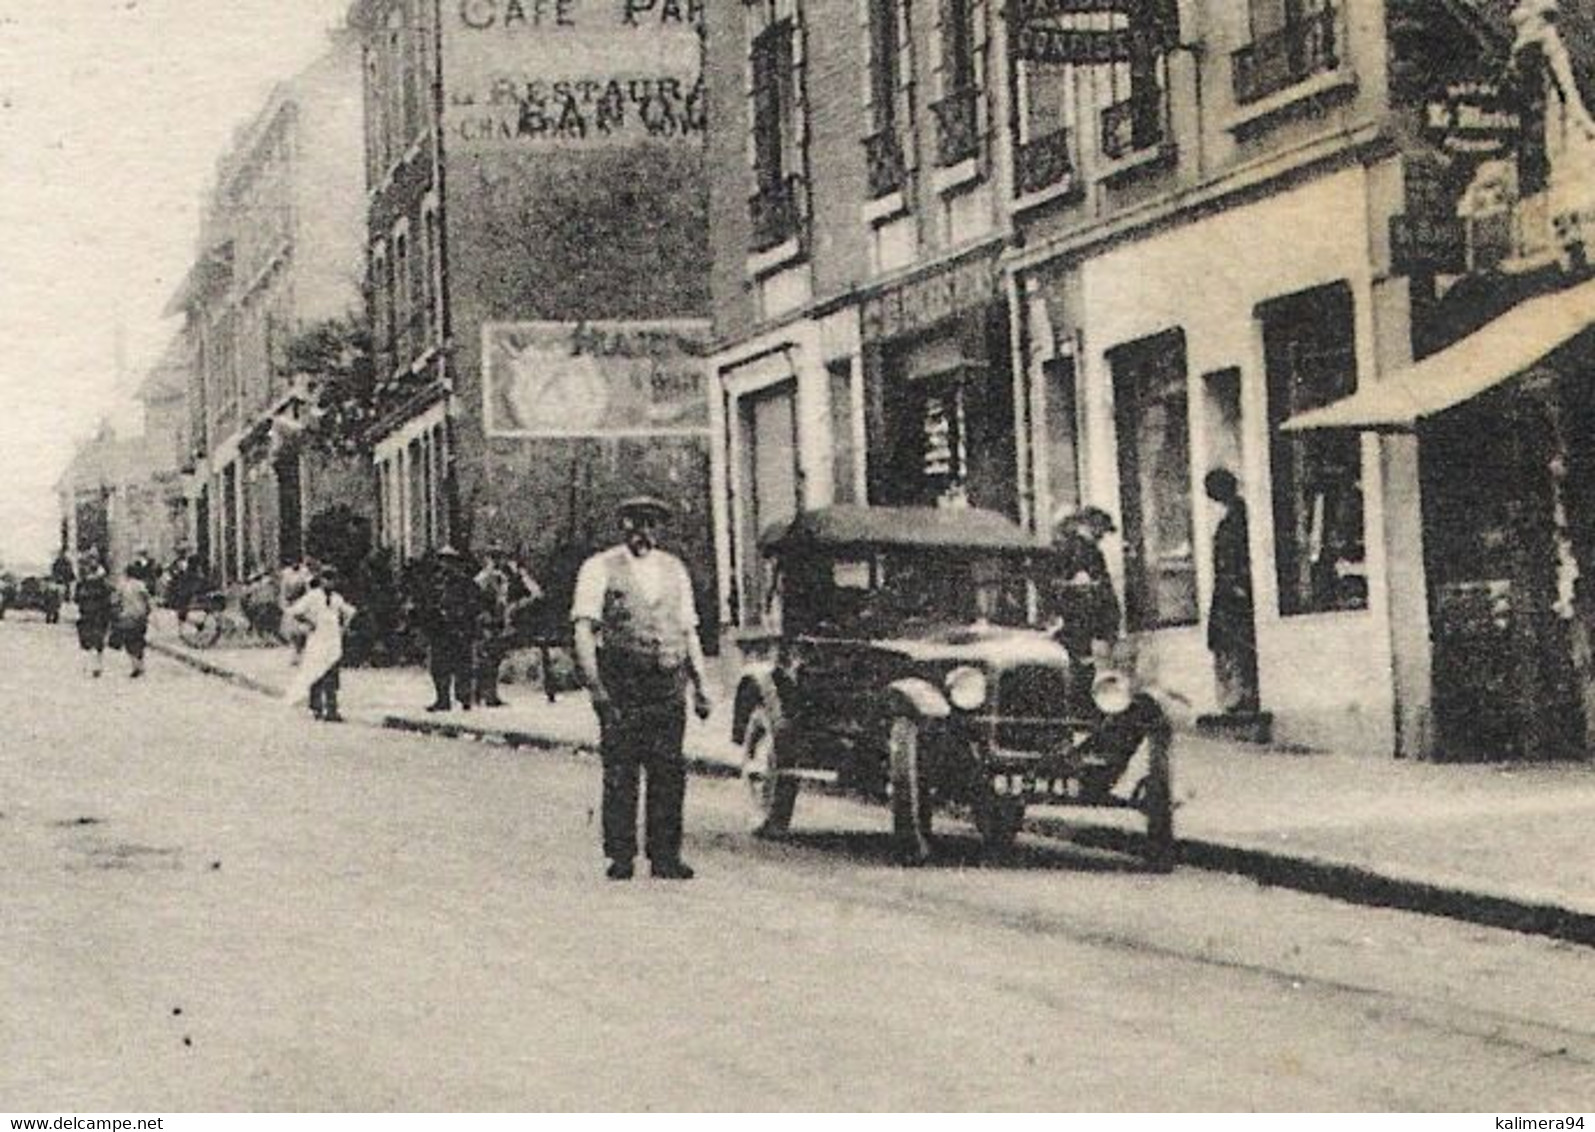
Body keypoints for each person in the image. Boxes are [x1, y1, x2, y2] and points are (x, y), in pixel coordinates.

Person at [572, 496, 713, 882]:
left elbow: (688, 630)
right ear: (622, 525)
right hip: (623, 683)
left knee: (669, 770)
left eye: (651, 523)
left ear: (660, 528)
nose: (643, 531)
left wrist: (700, 685)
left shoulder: (674, 570)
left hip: (667, 683)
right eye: (635, 522)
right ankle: (620, 856)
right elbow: (584, 629)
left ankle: (665, 856)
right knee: (621, 769)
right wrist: (596, 687)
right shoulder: (599, 568)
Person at [1205, 469, 1260, 716]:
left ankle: (1240, 697)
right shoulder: (1234, 516)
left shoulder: (1236, 519)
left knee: (1233, 643)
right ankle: (1238, 696)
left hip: (1233, 593)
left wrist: (1236, 585)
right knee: (1230, 643)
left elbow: (1232, 558)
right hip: (1230, 591)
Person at [1049, 505, 1123, 668]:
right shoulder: (1073, 550)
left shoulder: (1089, 551)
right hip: (1081, 621)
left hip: (1090, 621)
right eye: (1101, 530)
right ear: (1091, 526)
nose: (1102, 536)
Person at [285, 568, 358, 722]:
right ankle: (316, 707)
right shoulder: (313, 596)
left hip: (332, 641)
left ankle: (332, 710)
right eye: (326, 579)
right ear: (321, 580)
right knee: (316, 673)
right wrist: (308, 622)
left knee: (332, 675)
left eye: (332, 579)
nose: (329, 583)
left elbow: (350, 612)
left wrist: (344, 626)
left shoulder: (337, 598)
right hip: (317, 639)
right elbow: (294, 611)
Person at [421, 545, 482, 712]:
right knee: (439, 666)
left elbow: (475, 604)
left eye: (449, 561)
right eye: (442, 560)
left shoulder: (466, 583)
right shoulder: (436, 581)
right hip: (440, 630)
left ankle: (464, 698)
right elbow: (429, 602)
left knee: (462, 665)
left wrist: (461, 617)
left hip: (459, 629)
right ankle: (442, 699)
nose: (445, 565)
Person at [473, 544, 512, 707]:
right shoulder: (481, 579)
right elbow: (477, 600)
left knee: (495, 658)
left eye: (499, 557)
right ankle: (480, 694)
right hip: (486, 622)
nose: (496, 561)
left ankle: (491, 693)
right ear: (486, 559)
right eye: (493, 557)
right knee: (484, 659)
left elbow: (503, 601)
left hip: (498, 620)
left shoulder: (502, 578)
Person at [74, 551, 114, 678]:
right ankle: (95, 665)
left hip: (94, 613)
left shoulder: (89, 582)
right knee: (94, 640)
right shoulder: (101, 581)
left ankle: (95, 665)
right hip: (94, 613)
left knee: (93, 640)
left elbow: (77, 597)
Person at [111, 561, 153, 678]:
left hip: (127, 617)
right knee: (139, 640)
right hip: (140, 616)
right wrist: (148, 611)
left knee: (129, 642)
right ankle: (141, 664)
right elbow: (147, 599)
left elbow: (115, 601)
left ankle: (135, 666)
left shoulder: (122, 585)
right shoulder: (141, 585)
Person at [279, 556, 315, 666]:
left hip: (301, 602)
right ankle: (295, 654)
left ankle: (302, 654)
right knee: (292, 631)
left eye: (297, 562)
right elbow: (283, 589)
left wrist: (309, 603)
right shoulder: (286, 573)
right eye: (292, 561)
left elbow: (308, 588)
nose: (295, 564)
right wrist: (283, 603)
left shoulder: (304, 572)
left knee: (302, 630)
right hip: (291, 603)